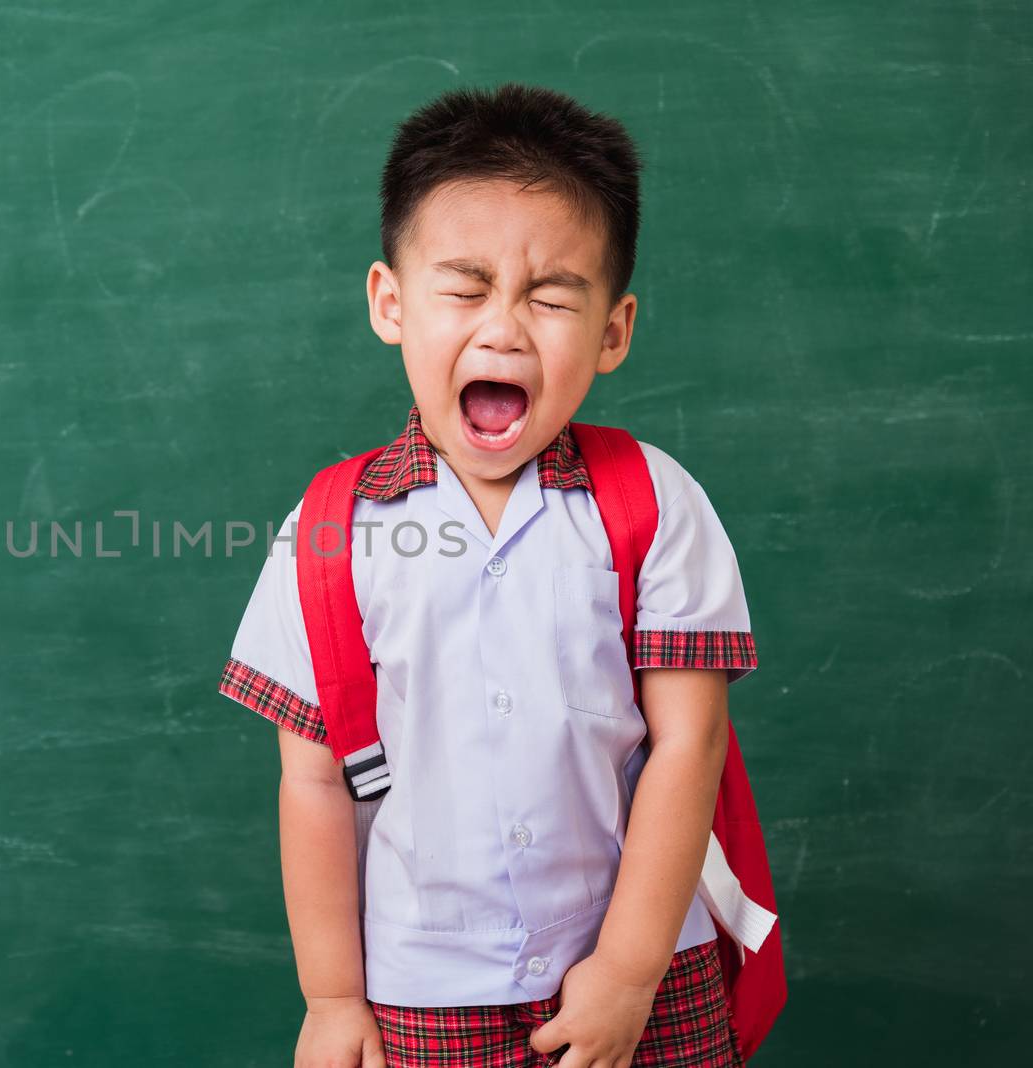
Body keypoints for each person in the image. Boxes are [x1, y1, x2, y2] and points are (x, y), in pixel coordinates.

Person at [218, 82, 760, 1067]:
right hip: (422, 993)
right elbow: (310, 784)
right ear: (390, 303)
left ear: (612, 330)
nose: (503, 327)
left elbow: (690, 741)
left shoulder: (652, 501)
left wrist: (628, 973)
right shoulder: (331, 529)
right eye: (464, 290)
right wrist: (332, 999)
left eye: (552, 296)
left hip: (642, 975)